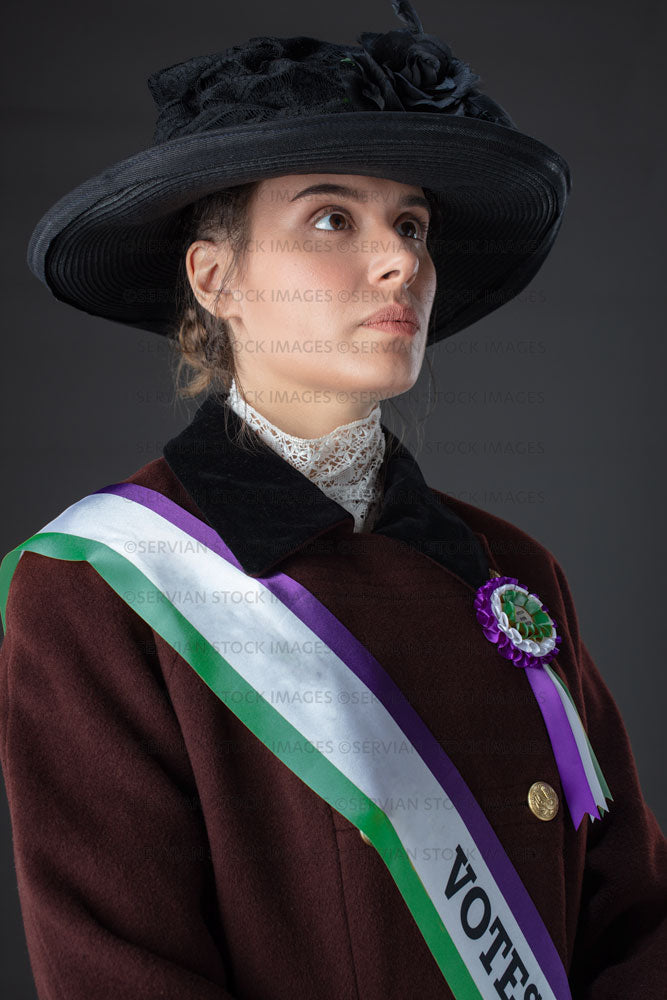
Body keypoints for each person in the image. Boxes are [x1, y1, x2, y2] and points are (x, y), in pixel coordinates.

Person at [0, 2, 665, 998]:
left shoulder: (514, 574)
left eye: (410, 223)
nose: (399, 259)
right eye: (330, 218)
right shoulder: (98, 589)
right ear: (216, 277)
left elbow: (635, 925)